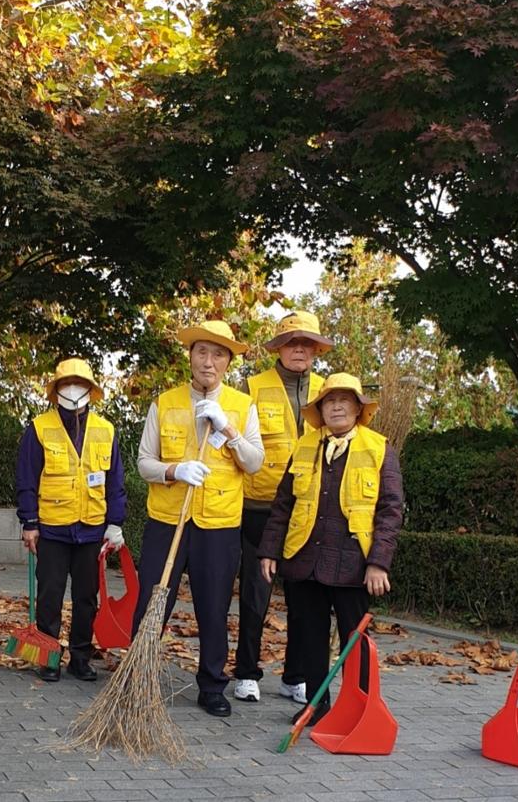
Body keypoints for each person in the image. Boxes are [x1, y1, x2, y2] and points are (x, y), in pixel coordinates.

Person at [258, 373, 404, 726]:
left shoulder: (379, 448)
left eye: (345, 400)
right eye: (329, 401)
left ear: (358, 409)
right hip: (304, 559)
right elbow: (283, 504)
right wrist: (270, 551)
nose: (337, 406)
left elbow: (390, 509)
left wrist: (379, 564)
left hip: (354, 563)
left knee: (357, 641)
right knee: (308, 636)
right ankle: (316, 704)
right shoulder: (304, 446)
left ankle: (362, 707)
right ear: (320, 409)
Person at [135, 319, 264, 717]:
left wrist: (227, 429)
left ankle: (211, 685)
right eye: (202, 352)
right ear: (190, 357)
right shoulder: (166, 402)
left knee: (213, 606)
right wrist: (174, 470)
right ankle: (139, 675)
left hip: (220, 524)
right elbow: (144, 463)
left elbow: (255, 462)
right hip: (168, 520)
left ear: (228, 363)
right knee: (153, 600)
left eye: (219, 354)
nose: (209, 362)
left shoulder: (242, 406)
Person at [234, 311, 333, 706]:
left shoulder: (330, 390)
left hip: (309, 511)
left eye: (306, 343)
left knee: (304, 601)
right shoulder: (253, 387)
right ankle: (246, 673)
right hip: (258, 507)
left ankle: (297, 677)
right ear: (278, 348)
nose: (299, 349)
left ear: (315, 350)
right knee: (255, 595)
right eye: (292, 342)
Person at [16, 358, 127, 682]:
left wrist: (115, 523)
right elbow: (27, 479)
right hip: (52, 526)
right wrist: (30, 523)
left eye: (80, 384)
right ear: (57, 391)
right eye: (67, 384)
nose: (73, 390)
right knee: (49, 595)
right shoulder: (39, 428)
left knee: (86, 597)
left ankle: (80, 656)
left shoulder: (106, 431)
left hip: (92, 528)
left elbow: (115, 482)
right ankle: (48, 656)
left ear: (91, 391)